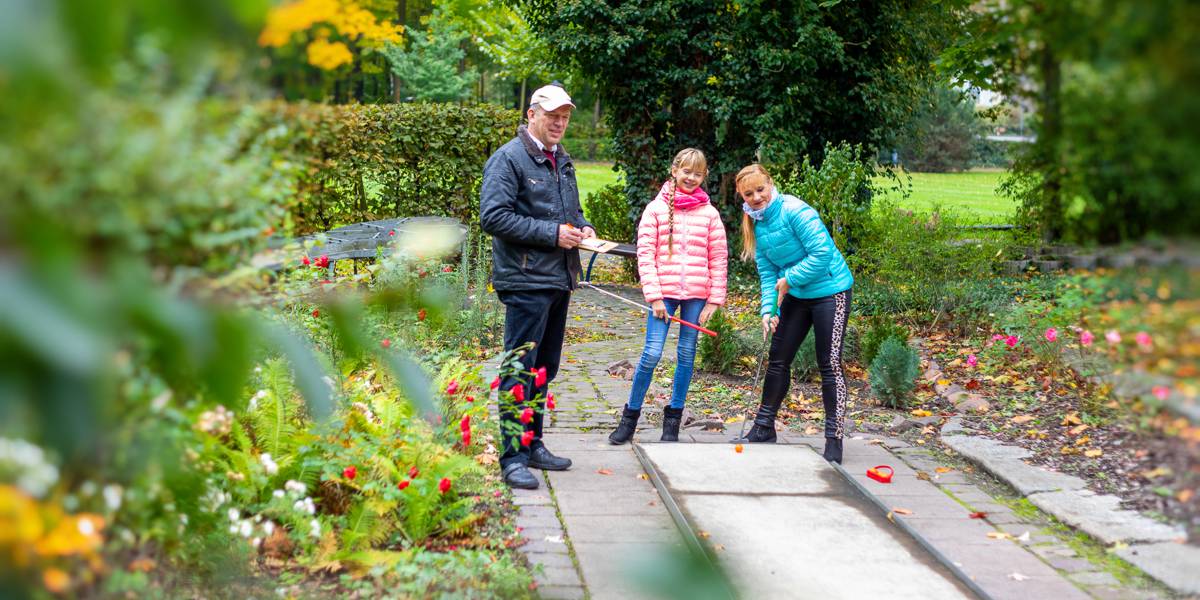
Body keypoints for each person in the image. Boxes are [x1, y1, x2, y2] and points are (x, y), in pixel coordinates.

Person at [480, 84, 595, 489]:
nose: (559, 123)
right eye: (552, 115)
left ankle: (533, 444)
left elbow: (570, 210)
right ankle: (512, 458)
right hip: (526, 279)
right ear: (532, 114)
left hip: (559, 277)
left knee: (544, 368)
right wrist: (552, 234)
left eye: (565, 116)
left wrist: (582, 226)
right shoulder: (509, 159)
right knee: (520, 367)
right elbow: (493, 217)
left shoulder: (561, 159)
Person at [730, 164, 854, 463]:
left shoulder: (796, 211)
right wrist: (767, 310)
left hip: (830, 291)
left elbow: (822, 253)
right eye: (750, 194)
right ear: (742, 197)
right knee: (778, 359)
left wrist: (789, 280)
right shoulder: (756, 223)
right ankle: (763, 428)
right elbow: (767, 271)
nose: (757, 197)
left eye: (761, 189)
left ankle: (833, 439)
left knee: (829, 363)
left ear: (770, 184)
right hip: (796, 295)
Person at [609, 149, 727, 445]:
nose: (691, 177)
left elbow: (719, 258)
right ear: (674, 170)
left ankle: (672, 422)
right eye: (686, 171)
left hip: (696, 296)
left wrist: (714, 300)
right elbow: (645, 256)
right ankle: (629, 418)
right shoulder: (656, 209)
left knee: (686, 356)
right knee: (651, 354)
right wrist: (655, 297)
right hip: (664, 296)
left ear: (703, 177)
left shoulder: (710, 214)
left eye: (697, 173)